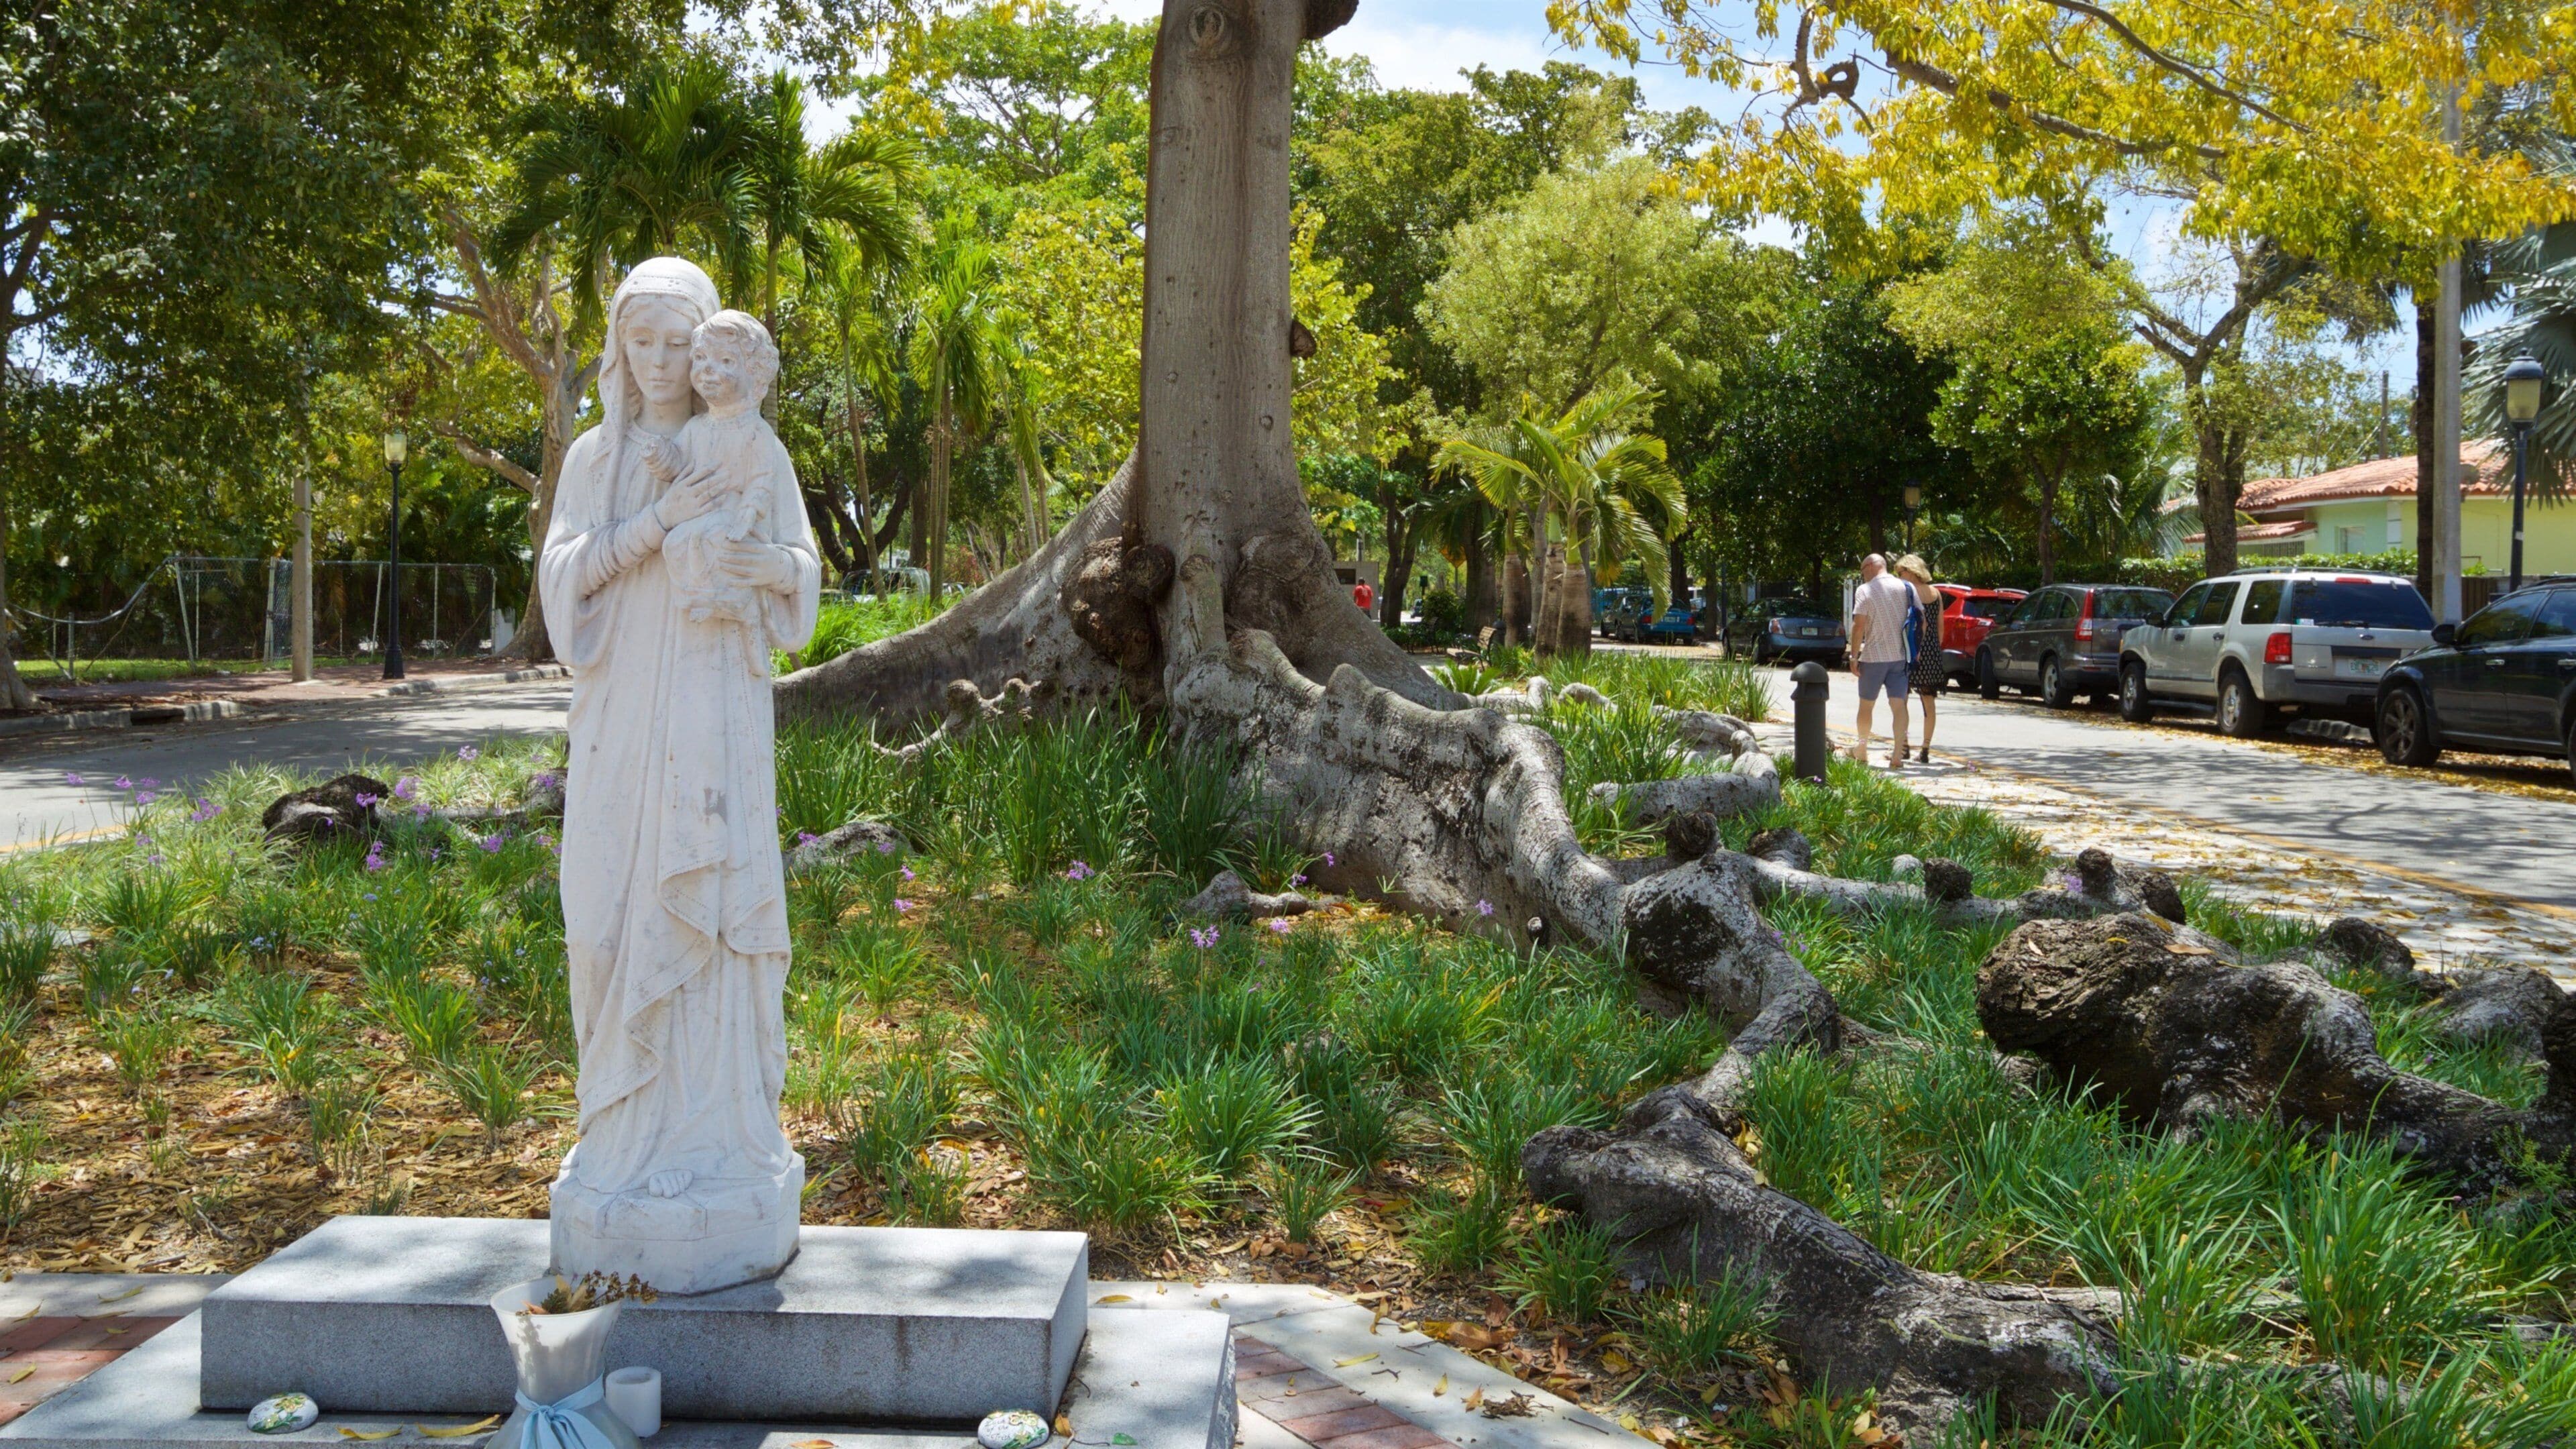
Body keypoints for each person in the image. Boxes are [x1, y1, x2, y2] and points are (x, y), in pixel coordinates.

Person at [1847, 552, 1914, 767]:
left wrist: (1854, 656)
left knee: (1866, 706)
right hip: (1900, 658)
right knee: (1899, 706)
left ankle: (1863, 748)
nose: (1862, 575)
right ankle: (1896, 755)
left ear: (1870, 567)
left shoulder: (1865, 590)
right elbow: (1920, 622)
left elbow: (1859, 626)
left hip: (1873, 658)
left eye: (1862, 571)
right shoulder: (1906, 588)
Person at [1896, 554, 1943, 763]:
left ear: (1911, 571)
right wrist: (1934, 648)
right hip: (1932, 650)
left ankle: (1904, 747)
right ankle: (1925, 749)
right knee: (1928, 701)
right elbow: (1940, 627)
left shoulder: (1907, 592)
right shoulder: (1936, 593)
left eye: (1901, 572)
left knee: (1902, 698)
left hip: (1911, 648)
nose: (1899, 576)